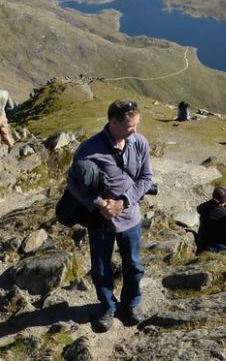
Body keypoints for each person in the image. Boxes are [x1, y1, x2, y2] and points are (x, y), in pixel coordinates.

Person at [67, 99, 153, 332]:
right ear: (113, 122)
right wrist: (98, 203)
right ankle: (107, 307)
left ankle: (132, 303)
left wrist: (123, 202)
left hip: (131, 218)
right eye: (130, 126)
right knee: (101, 268)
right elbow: (72, 183)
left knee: (134, 265)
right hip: (100, 222)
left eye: (136, 125)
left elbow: (146, 179)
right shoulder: (88, 149)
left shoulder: (139, 143)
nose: (134, 130)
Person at [195, 186, 226, 253]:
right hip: (218, 244)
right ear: (225, 201)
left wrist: (212, 202)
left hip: (203, 241)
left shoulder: (204, 207)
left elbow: (198, 209)